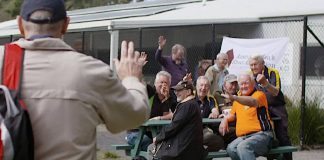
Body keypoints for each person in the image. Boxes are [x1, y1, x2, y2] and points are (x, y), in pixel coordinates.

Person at [11, 0, 149, 159]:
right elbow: (134, 116)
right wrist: (131, 78)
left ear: (20, 24)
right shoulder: (92, 71)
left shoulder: (3, 63)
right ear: (65, 25)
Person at [219, 72, 273, 160]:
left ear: (253, 83)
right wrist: (225, 119)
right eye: (241, 84)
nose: (243, 86)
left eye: (246, 83)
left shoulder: (259, 95)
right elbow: (232, 115)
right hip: (244, 137)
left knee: (243, 147)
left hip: (262, 135)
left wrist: (235, 98)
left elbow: (252, 102)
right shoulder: (238, 99)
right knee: (231, 149)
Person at [147, 80, 206, 160]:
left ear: (188, 91)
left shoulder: (188, 105)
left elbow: (174, 125)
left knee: (152, 149)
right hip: (189, 148)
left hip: (184, 151)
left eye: (179, 90)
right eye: (175, 90)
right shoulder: (191, 104)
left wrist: (158, 137)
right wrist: (168, 98)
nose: (176, 93)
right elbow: (177, 111)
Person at [249, 55, 292, 160]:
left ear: (262, 64)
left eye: (255, 64)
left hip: (276, 106)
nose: (253, 67)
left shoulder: (273, 72)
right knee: (266, 136)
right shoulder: (249, 75)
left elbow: (276, 92)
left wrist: (265, 83)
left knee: (282, 135)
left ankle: (287, 158)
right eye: (251, 65)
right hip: (261, 108)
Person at [126, 71, 177, 151]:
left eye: (166, 83)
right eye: (161, 82)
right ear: (155, 83)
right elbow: (138, 83)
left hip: (155, 133)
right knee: (151, 143)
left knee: (169, 142)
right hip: (136, 132)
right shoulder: (150, 92)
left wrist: (159, 118)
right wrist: (138, 69)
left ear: (169, 85)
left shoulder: (170, 96)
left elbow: (176, 113)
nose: (163, 85)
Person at [195, 76, 224, 151]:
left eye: (206, 86)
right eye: (201, 85)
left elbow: (215, 110)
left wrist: (214, 113)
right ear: (196, 86)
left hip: (204, 129)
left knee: (218, 142)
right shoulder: (190, 97)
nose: (203, 88)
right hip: (191, 129)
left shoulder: (210, 99)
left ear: (209, 88)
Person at [214, 74, 239, 146]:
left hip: (236, 125)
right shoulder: (217, 95)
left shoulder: (239, 95)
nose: (234, 87)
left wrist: (233, 99)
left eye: (235, 84)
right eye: (231, 84)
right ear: (224, 84)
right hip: (222, 126)